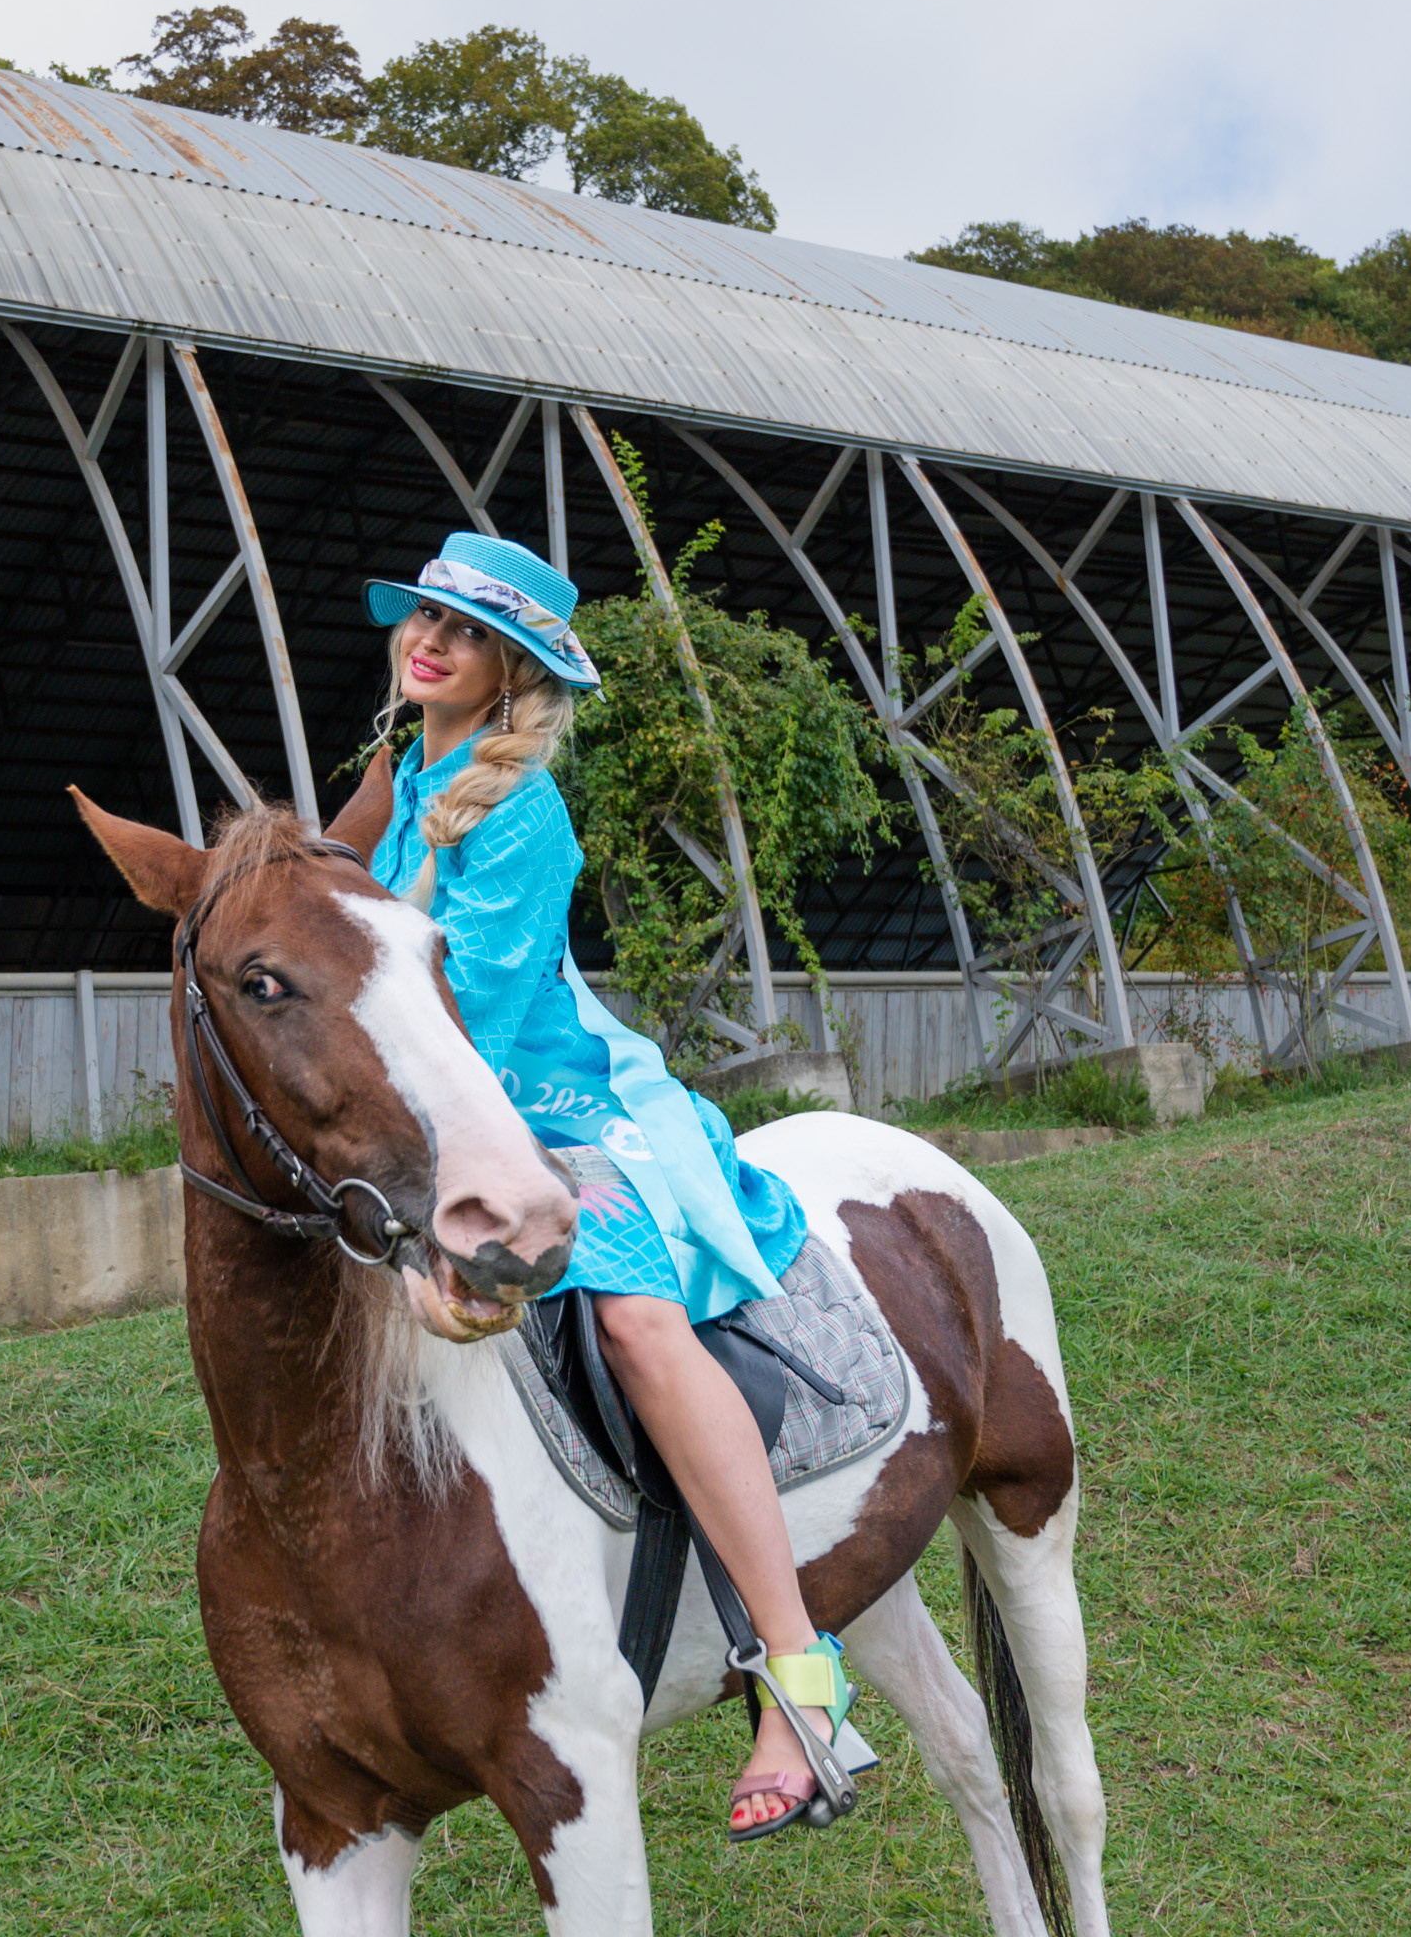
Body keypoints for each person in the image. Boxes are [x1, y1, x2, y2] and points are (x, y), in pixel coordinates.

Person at [363, 530, 853, 1843]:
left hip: (557, 1097)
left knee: (632, 1315)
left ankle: (798, 1671)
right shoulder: (412, 772)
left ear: (513, 668)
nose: (434, 642)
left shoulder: (522, 811)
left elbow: (488, 1017)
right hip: (452, 1093)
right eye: (427, 619)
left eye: (467, 635)